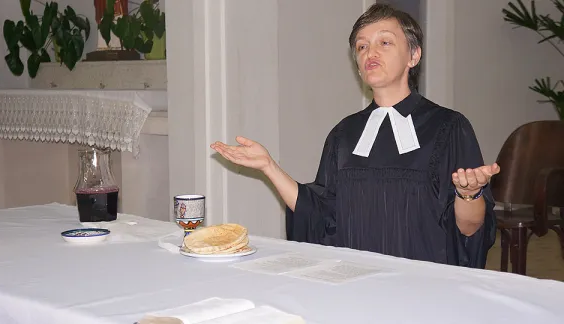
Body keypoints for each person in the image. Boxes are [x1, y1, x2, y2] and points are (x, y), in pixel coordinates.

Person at [210, 4, 499, 268]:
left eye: (384, 42)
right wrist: (268, 167)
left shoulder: (448, 127)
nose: (370, 53)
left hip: (420, 287)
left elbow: (470, 231)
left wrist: (469, 193)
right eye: (362, 47)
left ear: (414, 55)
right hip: (353, 282)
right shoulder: (344, 134)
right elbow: (320, 214)